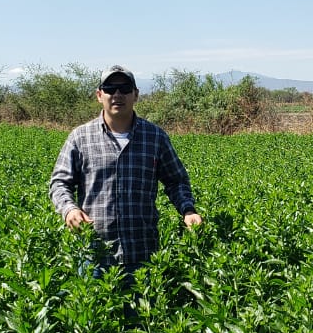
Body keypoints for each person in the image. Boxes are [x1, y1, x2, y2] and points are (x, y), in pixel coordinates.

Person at [49, 65, 202, 279]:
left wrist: (188, 210)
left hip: (143, 254)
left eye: (125, 88)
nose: (117, 94)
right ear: (99, 95)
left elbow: (176, 181)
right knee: (95, 312)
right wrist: (69, 209)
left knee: (142, 312)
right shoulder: (80, 137)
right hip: (94, 255)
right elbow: (59, 183)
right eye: (110, 88)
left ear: (136, 94)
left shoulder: (155, 137)